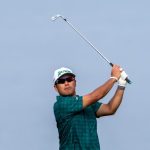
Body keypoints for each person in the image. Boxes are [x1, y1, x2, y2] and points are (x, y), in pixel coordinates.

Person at [53, 65, 127, 150]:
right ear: (55, 88)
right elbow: (95, 96)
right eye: (61, 81)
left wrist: (121, 85)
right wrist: (114, 78)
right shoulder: (60, 105)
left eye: (69, 79)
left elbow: (110, 109)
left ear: (75, 82)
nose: (66, 83)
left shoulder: (87, 104)